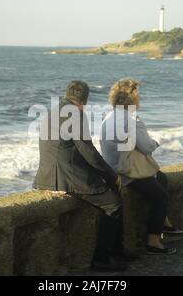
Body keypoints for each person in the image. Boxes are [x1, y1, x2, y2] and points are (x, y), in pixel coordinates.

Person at [33, 81, 138, 272]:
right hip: (66, 175)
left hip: (50, 174)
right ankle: (102, 260)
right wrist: (111, 174)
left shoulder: (56, 110)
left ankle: (117, 250)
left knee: (112, 190)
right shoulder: (75, 114)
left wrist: (105, 175)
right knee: (113, 204)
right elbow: (88, 151)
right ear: (85, 100)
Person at [100, 78, 180, 255]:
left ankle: (163, 222)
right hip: (127, 172)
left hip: (111, 168)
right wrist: (158, 141)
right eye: (139, 96)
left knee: (161, 177)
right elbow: (147, 147)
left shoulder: (108, 116)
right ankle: (153, 241)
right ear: (133, 99)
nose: (140, 99)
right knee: (160, 197)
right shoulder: (131, 120)